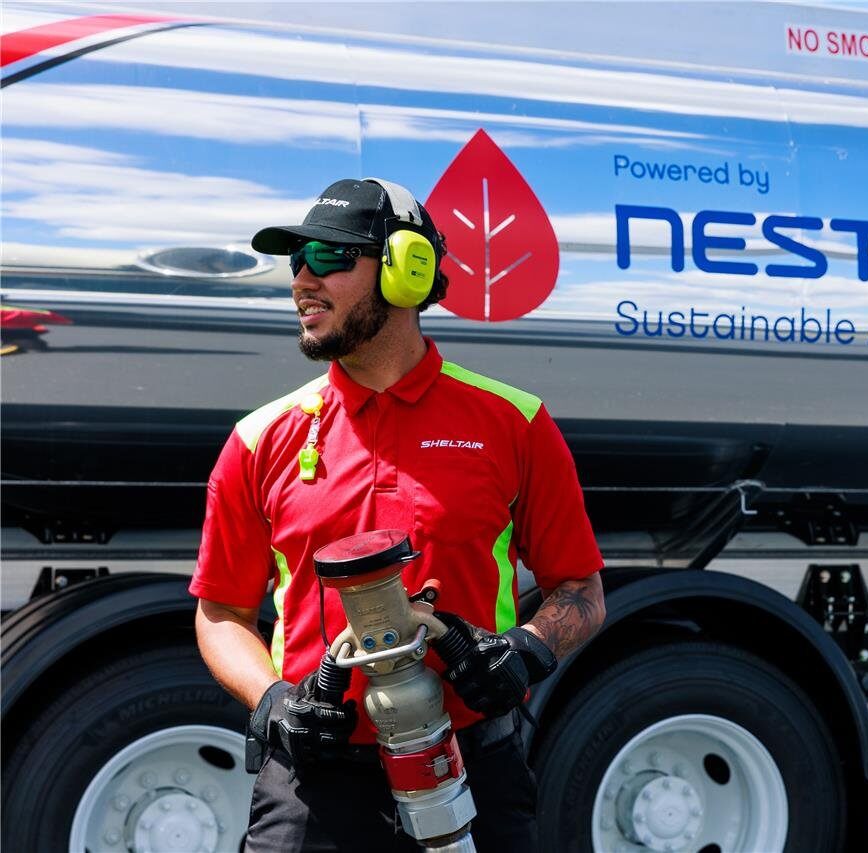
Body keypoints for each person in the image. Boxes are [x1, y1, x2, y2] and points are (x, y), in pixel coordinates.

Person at [189, 177, 606, 853]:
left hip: (472, 772)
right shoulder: (259, 438)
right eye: (296, 262)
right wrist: (272, 699)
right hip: (312, 789)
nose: (302, 281)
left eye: (327, 258)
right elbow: (220, 614)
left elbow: (580, 590)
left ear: (405, 271)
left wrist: (525, 651)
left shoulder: (514, 423)